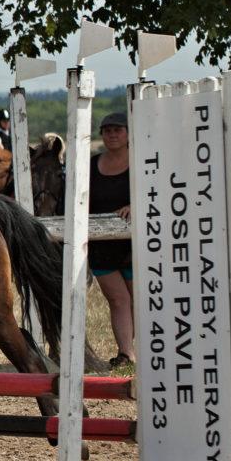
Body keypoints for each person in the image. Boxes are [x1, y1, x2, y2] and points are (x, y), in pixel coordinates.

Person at [89, 112, 135, 367]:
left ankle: (137, 348)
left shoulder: (141, 161)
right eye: (107, 131)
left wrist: (136, 205)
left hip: (134, 246)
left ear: (128, 133)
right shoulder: (91, 165)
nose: (112, 135)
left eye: (118, 130)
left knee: (137, 300)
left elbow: (155, 191)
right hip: (101, 246)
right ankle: (126, 354)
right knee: (118, 300)